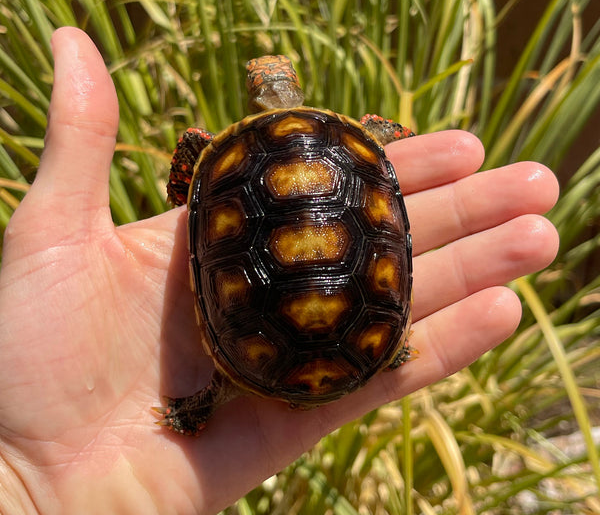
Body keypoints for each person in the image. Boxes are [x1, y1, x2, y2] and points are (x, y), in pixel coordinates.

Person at [0, 27, 559, 514]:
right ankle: (387, 348)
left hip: (258, 353)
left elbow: (185, 193)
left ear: (259, 93)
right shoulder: (356, 137)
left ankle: (206, 402)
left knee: (199, 150)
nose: (264, 79)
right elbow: (385, 143)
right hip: (364, 344)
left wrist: (27, 490)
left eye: (264, 76)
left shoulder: (216, 151)